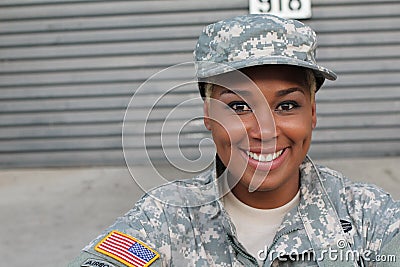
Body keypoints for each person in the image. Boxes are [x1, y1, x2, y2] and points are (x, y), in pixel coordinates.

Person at [69, 14, 400, 267]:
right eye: (239, 106)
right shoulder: (166, 217)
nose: (265, 131)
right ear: (208, 117)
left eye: (287, 105)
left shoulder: (366, 216)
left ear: (311, 113)